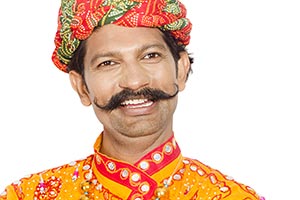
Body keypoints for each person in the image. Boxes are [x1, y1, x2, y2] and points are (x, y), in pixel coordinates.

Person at [0, 0, 264, 199]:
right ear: (81, 86)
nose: (135, 81)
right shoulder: (26, 195)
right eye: (108, 63)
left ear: (181, 70)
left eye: (150, 56)